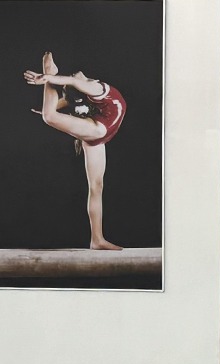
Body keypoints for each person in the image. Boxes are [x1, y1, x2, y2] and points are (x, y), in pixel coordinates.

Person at [23, 51, 127, 250]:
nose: (78, 74)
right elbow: (67, 90)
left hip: (98, 136)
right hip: (97, 131)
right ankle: (96, 239)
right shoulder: (84, 94)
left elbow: (72, 82)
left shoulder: (96, 86)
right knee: (49, 116)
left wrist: (50, 78)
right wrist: (49, 79)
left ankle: (97, 239)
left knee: (96, 187)